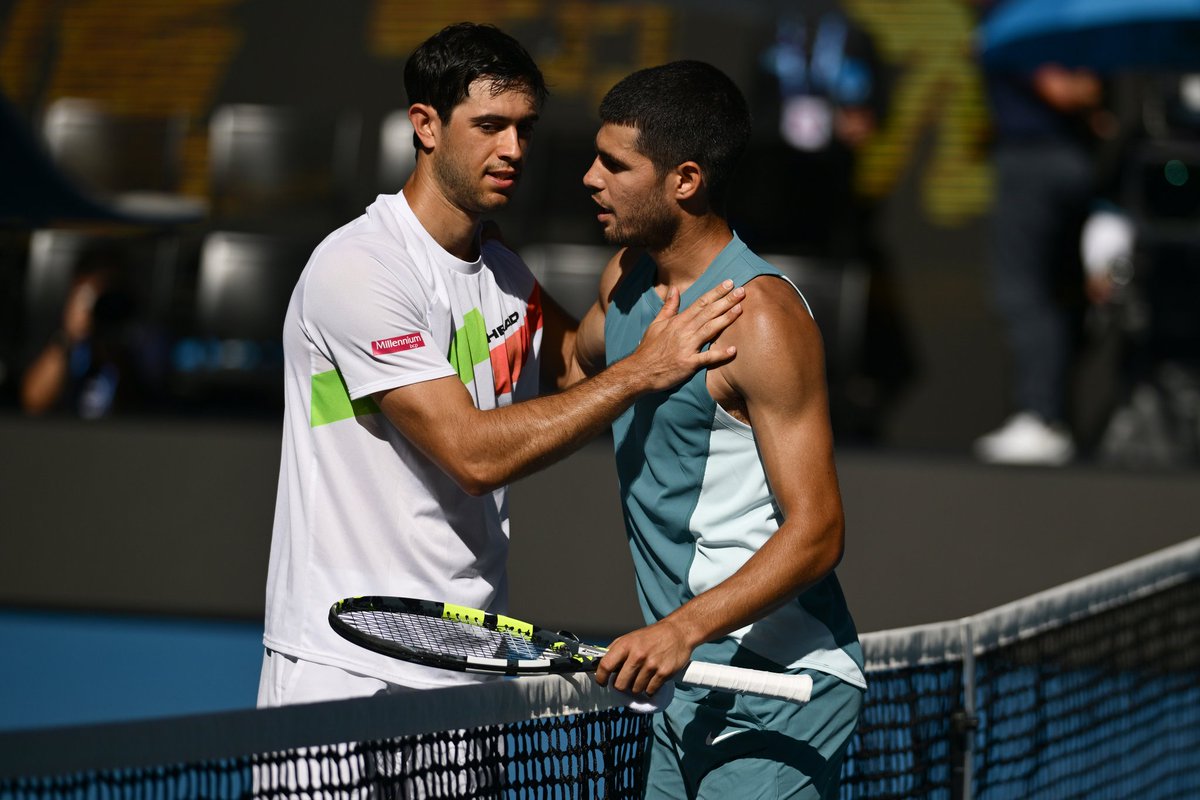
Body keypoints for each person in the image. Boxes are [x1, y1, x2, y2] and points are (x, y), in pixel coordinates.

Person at [257, 24, 744, 707]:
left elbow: (574, 365)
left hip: (467, 665)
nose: (513, 149)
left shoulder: (503, 271)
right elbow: (473, 455)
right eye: (489, 126)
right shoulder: (361, 267)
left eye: (525, 128)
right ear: (426, 125)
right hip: (345, 663)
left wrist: (647, 257)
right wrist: (642, 371)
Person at [571, 61, 866, 799]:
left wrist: (679, 630)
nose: (589, 179)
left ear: (685, 180)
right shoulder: (625, 279)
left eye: (615, 165)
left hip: (780, 686)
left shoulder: (761, 321)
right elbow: (573, 380)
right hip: (688, 684)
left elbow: (819, 531)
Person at [972, 6, 1108, 465]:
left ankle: (1042, 416)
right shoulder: (1054, 16)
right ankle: (1051, 414)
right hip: (1066, 161)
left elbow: (1063, 88)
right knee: (1055, 292)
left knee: (1023, 293)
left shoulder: (1020, 19)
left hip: (1035, 164)